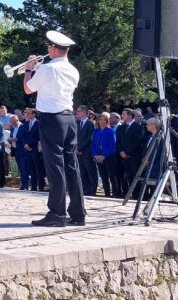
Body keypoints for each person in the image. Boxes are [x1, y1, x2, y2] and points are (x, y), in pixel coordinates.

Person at [23, 29, 86, 227]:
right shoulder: (73, 69)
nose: (48, 49)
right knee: (71, 166)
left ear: (53, 48)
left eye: (49, 47)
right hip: (69, 119)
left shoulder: (48, 69)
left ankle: (57, 214)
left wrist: (28, 69)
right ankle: (78, 213)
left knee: (55, 166)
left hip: (52, 119)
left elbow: (28, 88)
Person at [117, 108, 144, 198]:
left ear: (130, 116)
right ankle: (130, 194)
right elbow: (118, 142)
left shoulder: (138, 127)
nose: (122, 116)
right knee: (128, 177)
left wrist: (127, 152)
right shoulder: (121, 127)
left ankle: (138, 195)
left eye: (124, 114)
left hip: (134, 157)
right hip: (123, 157)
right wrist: (121, 151)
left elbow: (137, 142)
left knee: (136, 176)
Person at [92, 113, 118, 197]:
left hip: (109, 157)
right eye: (101, 120)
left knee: (112, 176)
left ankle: (115, 194)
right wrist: (95, 155)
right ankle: (107, 194)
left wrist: (104, 155)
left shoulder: (110, 131)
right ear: (98, 121)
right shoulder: (96, 131)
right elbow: (93, 144)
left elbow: (112, 145)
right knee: (103, 177)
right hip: (98, 156)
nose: (102, 121)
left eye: (104, 120)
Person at [75, 105, 96, 197]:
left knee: (90, 171)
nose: (77, 113)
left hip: (87, 152)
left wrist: (80, 148)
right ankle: (85, 189)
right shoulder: (77, 123)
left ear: (84, 112)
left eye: (79, 111)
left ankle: (92, 190)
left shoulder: (90, 124)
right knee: (82, 171)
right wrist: (76, 148)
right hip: (78, 152)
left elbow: (89, 138)